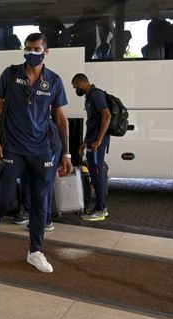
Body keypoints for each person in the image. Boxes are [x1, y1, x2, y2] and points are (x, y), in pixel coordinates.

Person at [0, 33, 72, 273]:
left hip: (42, 151)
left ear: (46, 52)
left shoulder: (54, 81)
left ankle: (35, 251)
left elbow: (61, 119)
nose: (31, 53)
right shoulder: (11, 74)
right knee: (3, 196)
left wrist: (66, 154)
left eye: (36, 49)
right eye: (27, 49)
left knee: (40, 202)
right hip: (13, 148)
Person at [71, 73, 110, 221]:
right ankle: (99, 207)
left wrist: (99, 140)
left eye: (75, 87)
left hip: (97, 142)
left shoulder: (97, 95)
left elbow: (107, 116)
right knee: (94, 173)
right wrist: (84, 143)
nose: (76, 90)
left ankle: (101, 209)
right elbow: (92, 123)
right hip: (92, 141)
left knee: (97, 173)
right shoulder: (90, 97)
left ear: (81, 83)